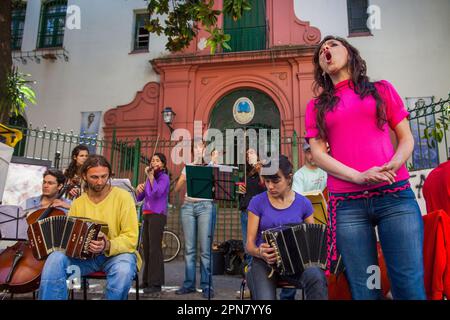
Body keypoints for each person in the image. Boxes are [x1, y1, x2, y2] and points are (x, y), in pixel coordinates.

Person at [305, 35, 426, 299]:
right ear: (321, 66)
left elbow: (406, 138)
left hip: (394, 196)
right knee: (365, 290)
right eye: (321, 50)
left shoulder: (381, 89)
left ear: (349, 52)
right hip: (347, 205)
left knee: (408, 286)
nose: (326, 49)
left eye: (333, 45)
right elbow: (318, 153)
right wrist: (358, 176)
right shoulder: (315, 107)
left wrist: (396, 161)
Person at [38, 155, 141, 300]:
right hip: (86, 258)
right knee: (55, 259)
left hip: (117, 255)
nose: (100, 181)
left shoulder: (123, 197)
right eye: (94, 177)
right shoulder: (78, 203)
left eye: (104, 176)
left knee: (123, 271)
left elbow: (131, 238)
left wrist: (107, 244)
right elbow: (71, 238)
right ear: (84, 176)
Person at [245, 155, 328, 300]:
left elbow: (313, 244)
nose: (270, 186)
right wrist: (259, 252)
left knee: (316, 276)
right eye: (267, 181)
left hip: (296, 264)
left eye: (276, 181)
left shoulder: (304, 204)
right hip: (265, 264)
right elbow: (249, 245)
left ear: (289, 178)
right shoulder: (257, 202)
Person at [279, 142, 327, 300]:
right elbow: (297, 202)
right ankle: (288, 296)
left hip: (325, 223)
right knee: (296, 261)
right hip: (304, 225)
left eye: (314, 152)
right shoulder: (300, 175)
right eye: (308, 152)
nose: (312, 155)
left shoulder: (326, 171)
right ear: (304, 153)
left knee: (320, 266)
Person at [174, 139, 216, 299]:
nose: (199, 150)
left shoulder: (211, 165)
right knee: (190, 249)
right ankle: (189, 284)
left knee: (205, 250)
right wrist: (182, 179)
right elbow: (177, 188)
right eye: (196, 148)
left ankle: (207, 286)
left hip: (205, 206)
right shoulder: (188, 167)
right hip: (188, 207)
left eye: (202, 148)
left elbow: (217, 187)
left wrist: (215, 165)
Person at [136, 153, 170, 295]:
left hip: (158, 214)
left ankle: (156, 283)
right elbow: (140, 197)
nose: (154, 162)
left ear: (162, 164)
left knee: (155, 249)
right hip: (147, 214)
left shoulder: (164, 178)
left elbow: (157, 193)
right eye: (152, 160)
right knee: (147, 248)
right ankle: (147, 280)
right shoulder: (150, 178)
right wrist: (139, 189)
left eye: (157, 160)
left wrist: (150, 178)